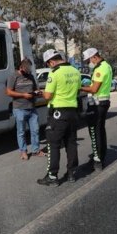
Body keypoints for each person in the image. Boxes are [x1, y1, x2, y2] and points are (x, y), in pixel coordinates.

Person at [37, 49, 81, 186]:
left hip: (58, 113)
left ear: (51, 61)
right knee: (71, 143)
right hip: (73, 112)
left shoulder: (54, 73)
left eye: (48, 64)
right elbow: (78, 90)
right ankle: (71, 174)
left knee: (53, 144)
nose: (49, 66)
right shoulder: (75, 71)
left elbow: (48, 96)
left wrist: (41, 93)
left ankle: (52, 176)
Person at [80, 48, 112, 171]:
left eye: (89, 60)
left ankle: (97, 160)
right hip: (104, 102)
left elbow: (94, 89)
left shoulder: (100, 69)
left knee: (95, 132)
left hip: (98, 103)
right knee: (100, 131)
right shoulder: (106, 65)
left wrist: (81, 88)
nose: (89, 62)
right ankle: (101, 155)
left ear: (94, 57)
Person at [6, 58, 44, 160]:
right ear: (21, 67)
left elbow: (35, 88)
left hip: (32, 108)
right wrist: (23, 95)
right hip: (19, 108)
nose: (28, 71)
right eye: (26, 69)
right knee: (21, 131)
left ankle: (36, 150)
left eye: (29, 69)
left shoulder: (31, 76)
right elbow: (9, 92)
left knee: (35, 130)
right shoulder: (14, 76)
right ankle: (23, 151)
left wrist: (37, 92)